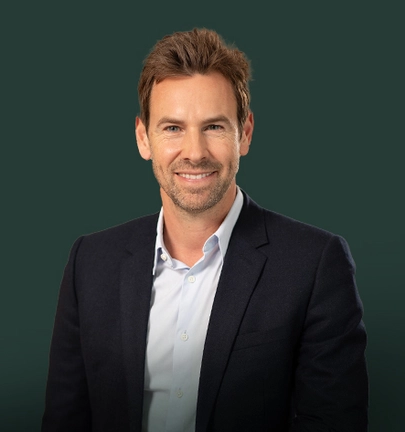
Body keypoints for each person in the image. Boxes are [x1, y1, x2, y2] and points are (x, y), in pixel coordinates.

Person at [42, 28, 368, 432]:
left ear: (244, 133)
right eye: (172, 128)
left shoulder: (315, 264)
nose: (195, 153)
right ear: (143, 138)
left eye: (213, 127)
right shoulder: (90, 263)